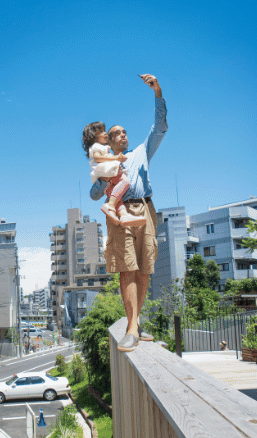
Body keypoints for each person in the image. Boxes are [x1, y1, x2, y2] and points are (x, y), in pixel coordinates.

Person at [91, 74, 167, 352]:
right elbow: (95, 194)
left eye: (125, 131)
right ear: (109, 141)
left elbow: (159, 127)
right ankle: (133, 327)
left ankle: (135, 323)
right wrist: (104, 176)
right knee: (127, 269)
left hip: (145, 208)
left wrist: (157, 91)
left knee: (145, 268)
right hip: (120, 213)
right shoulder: (107, 162)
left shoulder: (140, 152)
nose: (123, 134)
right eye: (117, 132)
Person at [81, 121, 145, 228]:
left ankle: (123, 215)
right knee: (125, 181)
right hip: (105, 171)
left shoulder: (105, 149)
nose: (105, 133)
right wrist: (116, 158)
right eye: (101, 131)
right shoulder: (96, 147)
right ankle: (110, 206)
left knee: (117, 198)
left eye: (104, 130)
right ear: (94, 137)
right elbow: (97, 158)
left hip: (109, 177)